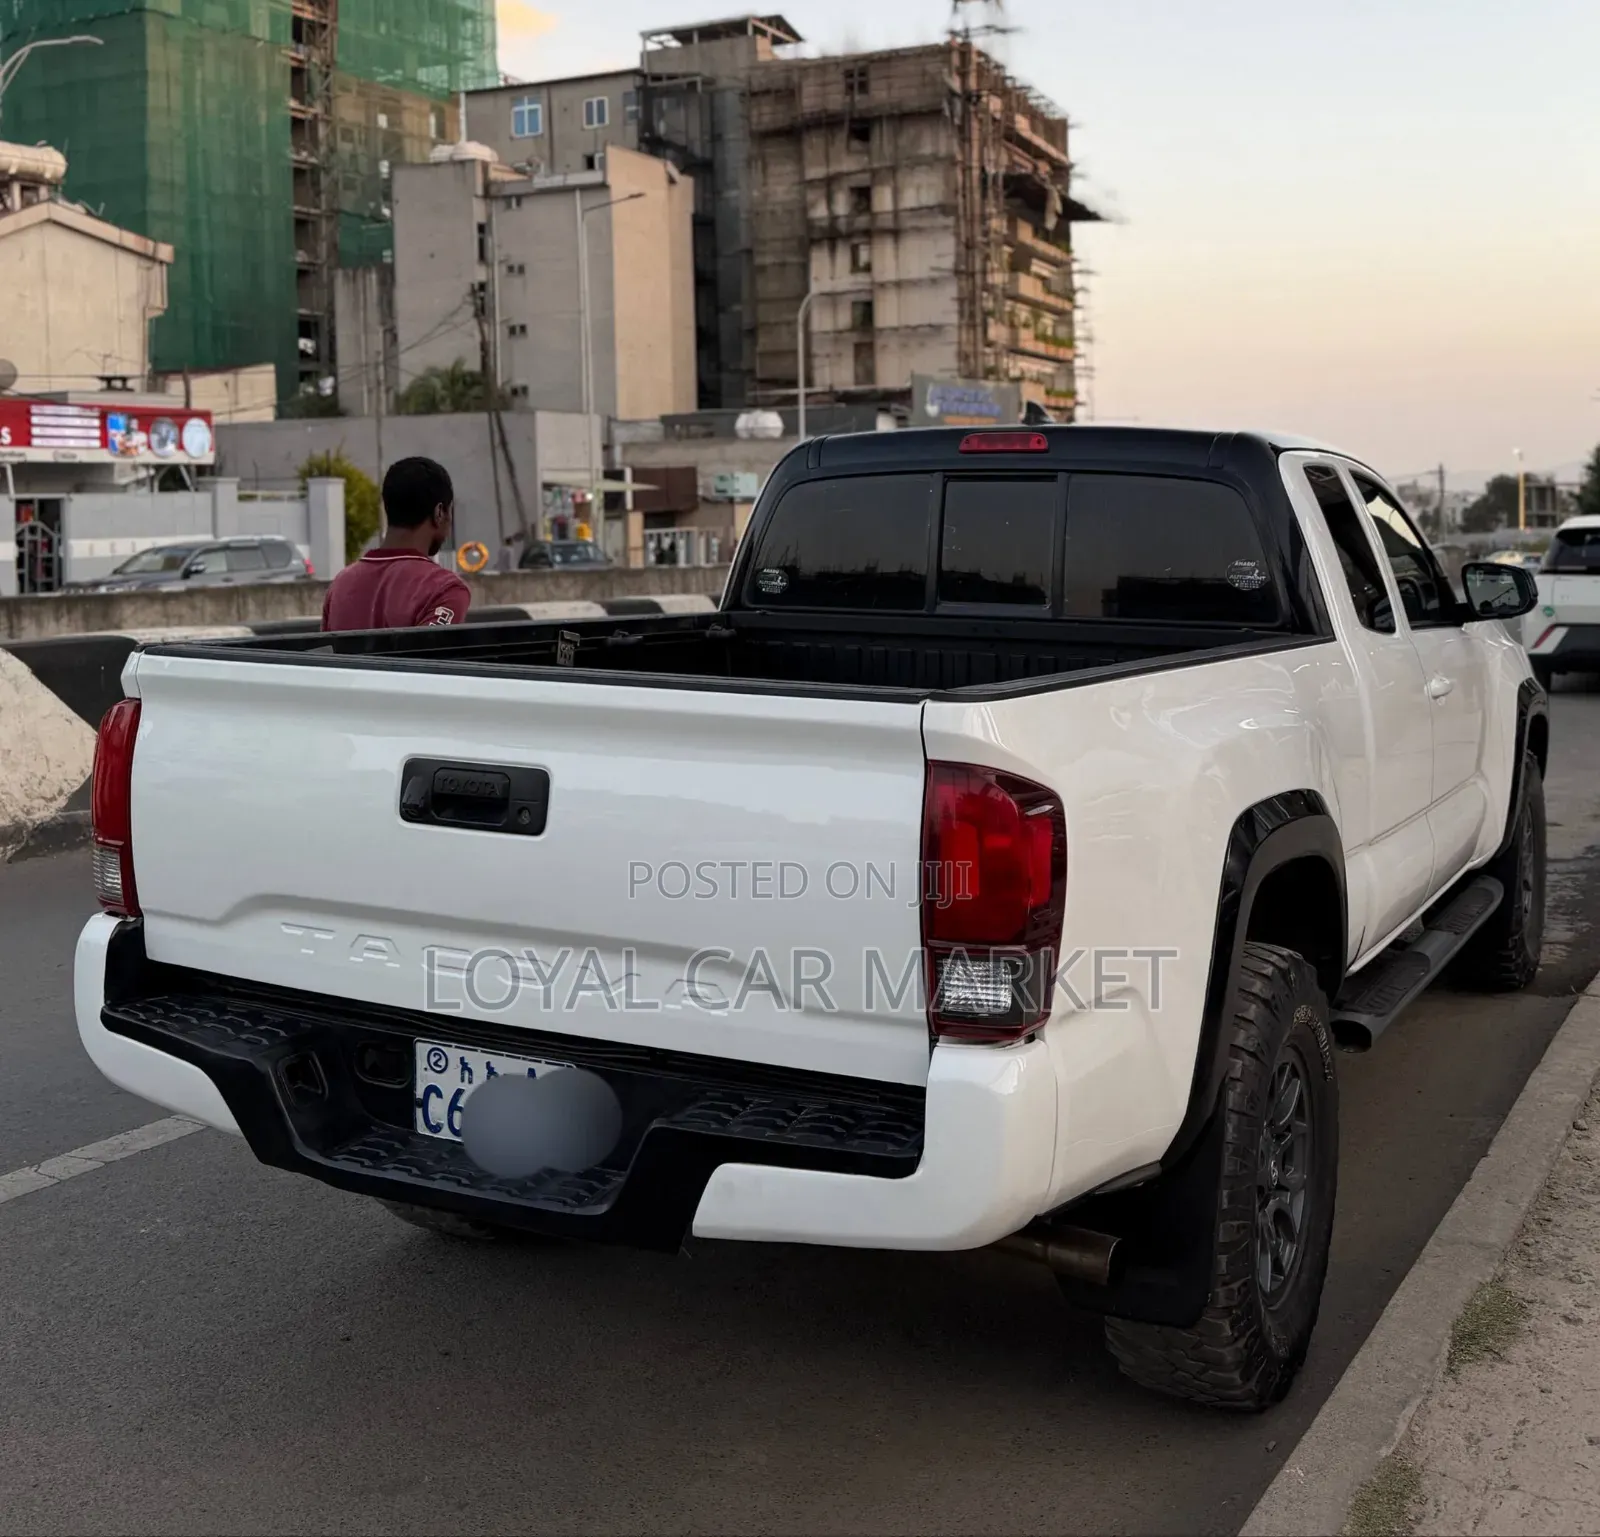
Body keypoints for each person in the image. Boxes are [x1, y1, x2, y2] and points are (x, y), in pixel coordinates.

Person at [321, 457, 472, 631]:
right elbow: (427, 655)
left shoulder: (340, 585)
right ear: (439, 512)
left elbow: (328, 655)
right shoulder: (445, 589)